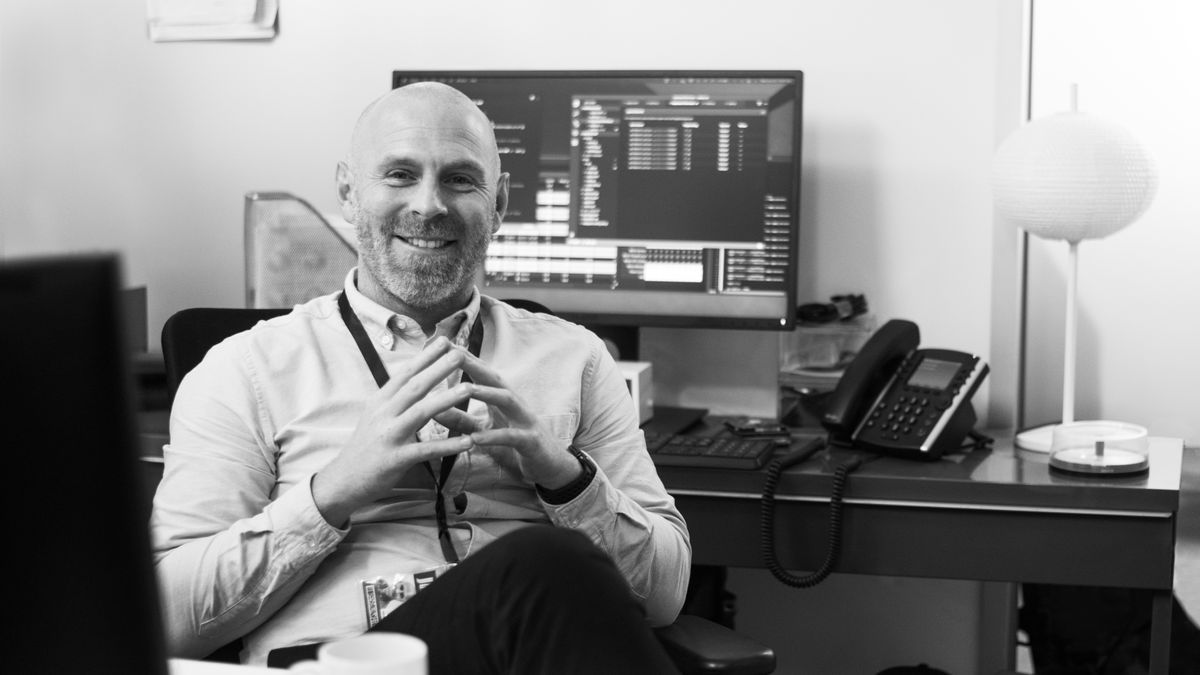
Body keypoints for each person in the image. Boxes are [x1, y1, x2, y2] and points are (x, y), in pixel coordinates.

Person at [151, 82, 691, 673]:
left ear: (500, 203)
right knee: (543, 560)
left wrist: (561, 478)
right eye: (400, 174)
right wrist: (334, 491)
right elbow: (164, 623)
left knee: (546, 564)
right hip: (336, 658)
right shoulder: (245, 367)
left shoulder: (577, 358)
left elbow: (664, 596)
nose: (429, 205)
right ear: (348, 193)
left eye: (460, 179)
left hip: (529, 651)